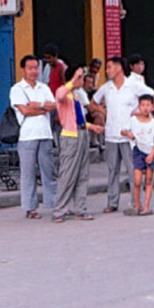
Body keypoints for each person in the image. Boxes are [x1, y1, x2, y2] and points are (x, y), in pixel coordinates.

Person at [91, 56, 154, 213]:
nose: (107, 71)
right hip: (111, 134)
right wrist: (104, 112)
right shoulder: (106, 88)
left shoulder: (133, 85)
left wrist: (141, 113)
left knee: (133, 170)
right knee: (112, 170)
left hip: (130, 136)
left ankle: (136, 202)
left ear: (119, 68)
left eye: (109, 67)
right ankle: (112, 202)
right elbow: (93, 102)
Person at [51, 65, 105, 223]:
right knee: (68, 173)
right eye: (80, 77)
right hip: (70, 137)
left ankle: (80, 208)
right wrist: (72, 80)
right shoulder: (64, 92)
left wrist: (92, 126)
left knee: (82, 174)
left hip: (81, 134)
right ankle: (60, 209)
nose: (82, 80)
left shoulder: (76, 96)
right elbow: (59, 95)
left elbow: (79, 119)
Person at [10, 55, 58, 219]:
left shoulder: (44, 87)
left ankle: (53, 203)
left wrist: (38, 105)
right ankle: (30, 207)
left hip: (45, 134)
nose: (34, 71)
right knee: (28, 172)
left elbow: (54, 105)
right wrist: (44, 108)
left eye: (36, 68)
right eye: (30, 68)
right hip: (27, 136)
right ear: (23, 70)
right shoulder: (17, 89)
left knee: (48, 170)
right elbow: (24, 111)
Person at [120, 94, 154, 216]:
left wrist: (152, 154)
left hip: (149, 152)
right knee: (137, 181)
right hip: (138, 151)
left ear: (152, 107)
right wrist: (128, 134)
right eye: (143, 105)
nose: (145, 108)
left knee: (148, 180)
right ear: (139, 107)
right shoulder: (133, 121)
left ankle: (145, 207)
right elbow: (122, 131)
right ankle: (137, 206)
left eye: (148, 105)